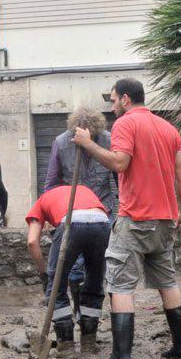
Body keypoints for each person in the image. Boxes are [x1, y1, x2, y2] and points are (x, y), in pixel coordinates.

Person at [72, 78, 181, 359]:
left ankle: (121, 355)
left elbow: (119, 163)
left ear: (125, 99)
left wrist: (87, 143)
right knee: (167, 281)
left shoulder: (126, 124)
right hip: (164, 219)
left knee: (120, 284)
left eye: (113, 100)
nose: (112, 105)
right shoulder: (167, 128)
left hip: (135, 217)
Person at [42, 107, 118, 309]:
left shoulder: (108, 140)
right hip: (71, 213)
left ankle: (90, 317)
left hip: (103, 212)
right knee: (73, 266)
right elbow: (51, 184)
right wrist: (52, 217)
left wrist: (121, 212)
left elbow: (121, 179)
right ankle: (76, 309)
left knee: (98, 266)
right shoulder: (61, 142)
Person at [24, 182, 113, 345]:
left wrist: (45, 274)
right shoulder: (83, 189)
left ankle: (66, 344)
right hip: (102, 222)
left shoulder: (41, 201)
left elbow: (32, 242)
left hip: (72, 223)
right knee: (94, 283)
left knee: (56, 288)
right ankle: (88, 341)